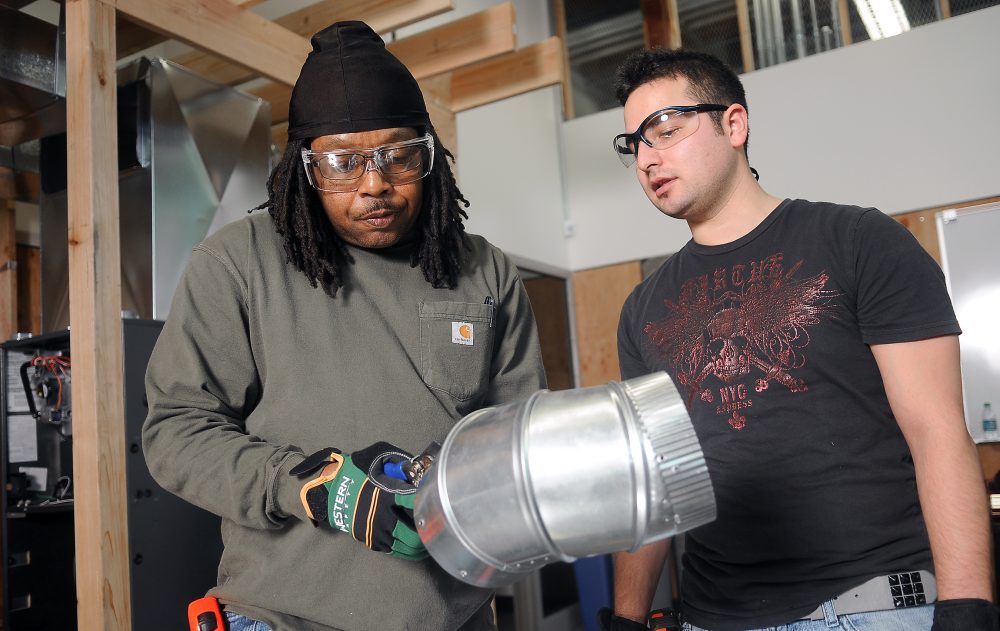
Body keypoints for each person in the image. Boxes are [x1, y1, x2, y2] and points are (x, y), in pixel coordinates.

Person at [142, 21, 546, 631]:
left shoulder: (482, 268)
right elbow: (175, 432)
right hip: (281, 617)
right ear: (303, 167)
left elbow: (521, 430)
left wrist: (464, 464)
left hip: (453, 619)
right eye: (342, 163)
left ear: (429, 153)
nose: (375, 184)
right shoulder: (236, 263)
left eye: (398, 155)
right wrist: (305, 483)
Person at [603, 47, 998, 631]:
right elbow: (655, 477)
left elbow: (936, 430)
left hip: (872, 605)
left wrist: (967, 609)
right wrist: (628, 619)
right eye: (634, 142)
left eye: (665, 128)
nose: (647, 156)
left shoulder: (859, 241)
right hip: (713, 617)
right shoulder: (643, 308)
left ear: (733, 123)